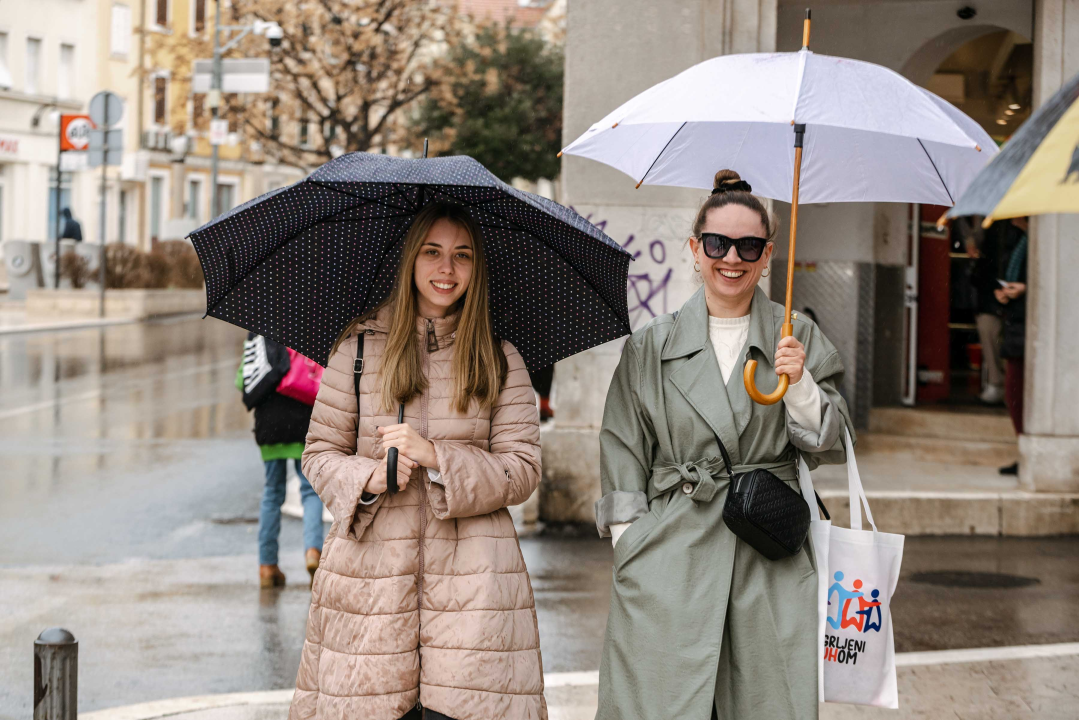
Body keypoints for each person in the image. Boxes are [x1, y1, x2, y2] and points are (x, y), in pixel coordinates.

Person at [594, 170, 854, 720]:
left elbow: (832, 443)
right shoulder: (652, 344)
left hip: (769, 551)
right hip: (672, 553)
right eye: (717, 243)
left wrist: (801, 385)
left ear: (768, 255)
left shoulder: (797, 337)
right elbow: (622, 445)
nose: (732, 258)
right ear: (696, 249)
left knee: (768, 702)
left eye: (749, 245)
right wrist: (632, 544)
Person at [290, 203, 544, 720]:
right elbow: (318, 454)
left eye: (462, 255)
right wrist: (370, 475)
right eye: (432, 252)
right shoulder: (358, 348)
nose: (446, 269)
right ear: (410, 258)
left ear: (476, 267)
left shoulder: (499, 356)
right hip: (370, 585)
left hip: (475, 589)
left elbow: (522, 468)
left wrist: (437, 458)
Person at [237, 335, 325, 588]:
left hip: (270, 423)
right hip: (304, 421)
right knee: (310, 491)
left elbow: (242, 379)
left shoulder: (259, 333)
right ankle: (313, 552)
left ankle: (267, 565)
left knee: (272, 493)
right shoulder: (309, 330)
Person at [996, 217, 1028, 476]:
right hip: (1017, 325)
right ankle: (1025, 452)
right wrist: (1005, 293)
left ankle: (1028, 455)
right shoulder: (1018, 239)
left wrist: (1025, 289)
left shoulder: (1038, 241)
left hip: (1030, 329)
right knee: (1014, 395)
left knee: (1018, 394)